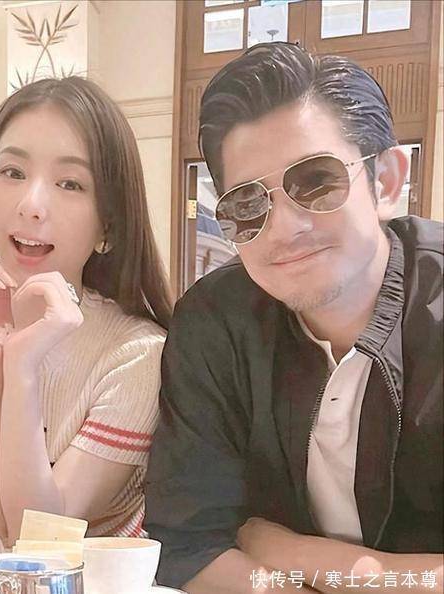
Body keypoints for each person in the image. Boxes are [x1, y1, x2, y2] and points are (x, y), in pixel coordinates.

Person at [145, 42, 443, 594]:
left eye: (317, 181)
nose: (284, 229)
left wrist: (287, 549)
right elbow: (188, 545)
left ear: (385, 180)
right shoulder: (214, 322)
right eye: (247, 206)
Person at [0, 76, 173, 581]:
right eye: (13, 172)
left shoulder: (137, 352)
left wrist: (21, 368)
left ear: (109, 228)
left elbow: (39, 537)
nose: (31, 204)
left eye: (70, 183)